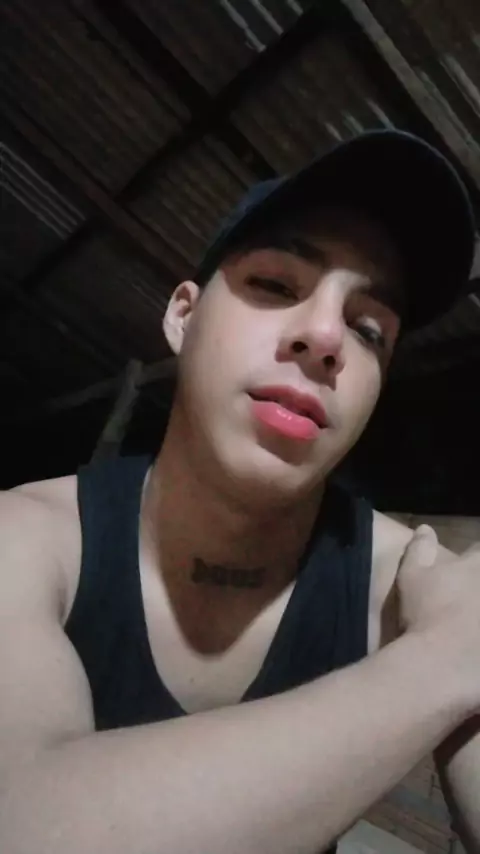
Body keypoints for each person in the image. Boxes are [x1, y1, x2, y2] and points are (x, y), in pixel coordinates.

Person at [1, 129, 480, 854]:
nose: (325, 338)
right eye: (276, 285)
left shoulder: (408, 581)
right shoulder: (26, 540)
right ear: (183, 315)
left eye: (368, 330)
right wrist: (440, 667)